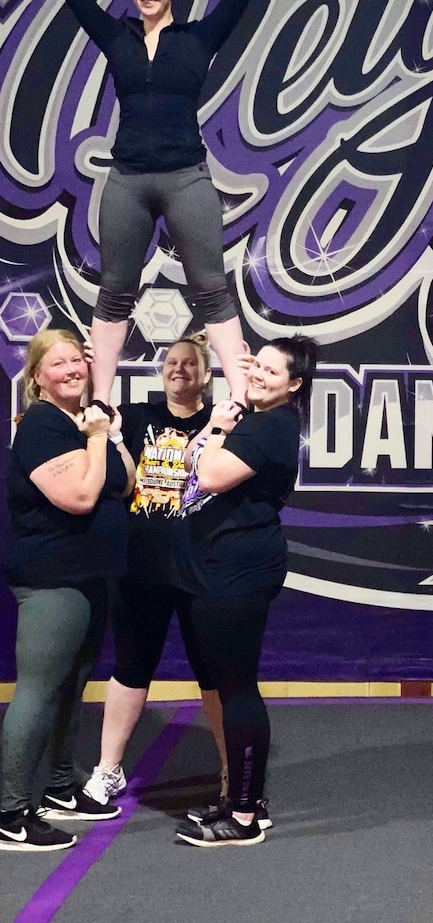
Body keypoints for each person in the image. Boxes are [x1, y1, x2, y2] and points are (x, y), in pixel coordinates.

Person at [1, 0, 313, 408]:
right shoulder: (115, 37)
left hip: (185, 177)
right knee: (114, 292)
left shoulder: (198, 39)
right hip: (126, 180)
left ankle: (239, 399)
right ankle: (99, 401)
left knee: (211, 289)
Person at [173, 335, 318, 847]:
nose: (258, 376)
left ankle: (245, 816)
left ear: (294, 385)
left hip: (239, 570)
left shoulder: (271, 426)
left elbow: (209, 475)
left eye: (271, 373)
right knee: (226, 684)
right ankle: (241, 801)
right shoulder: (258, 420)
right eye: (256, 366)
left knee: (237, 688)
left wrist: (216, 426)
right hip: (218, 567)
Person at [0, 330, 134, 852]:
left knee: (70, 685)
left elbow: (123, 482)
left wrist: (111, 434)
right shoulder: (40, 426)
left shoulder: (76, 424)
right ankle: (9, 812)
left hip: (85, 576)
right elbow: (80, 496)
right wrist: (96, 438)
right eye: (58, 364)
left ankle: (58, 787)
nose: (73, 369)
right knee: (38, 689)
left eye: (77, 359)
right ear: (37, 377)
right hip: (51, 579)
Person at [83, 335, 230, 810]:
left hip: (200, 569)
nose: (179, 369)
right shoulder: (139, 416)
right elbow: (117, 470)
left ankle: (232, 774)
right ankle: (108, 770)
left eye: (191, 364)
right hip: (140, 569)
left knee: (213, 675)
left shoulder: (222, 423)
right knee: (130, 669)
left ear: (206, 376)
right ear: (160, 371)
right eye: (171, 362)